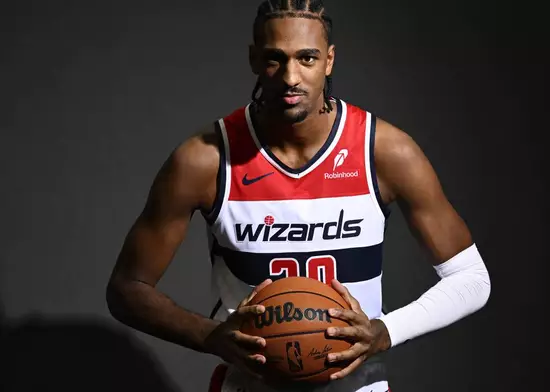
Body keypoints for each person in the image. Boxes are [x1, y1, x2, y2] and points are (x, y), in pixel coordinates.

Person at [105, 1, 492, 391]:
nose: (291, 76)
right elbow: (127, 289)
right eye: (276, 59)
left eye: (307, 58)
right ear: (254, 59)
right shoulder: (206, 159)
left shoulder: (383, 151)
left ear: (329, 61)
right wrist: (210, 335)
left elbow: (472, 279)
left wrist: (385, 330)